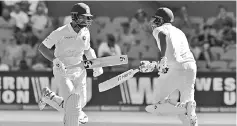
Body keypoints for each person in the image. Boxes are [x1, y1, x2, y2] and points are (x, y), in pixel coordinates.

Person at [38, 3, 103, 126]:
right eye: (84, 17)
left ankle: (49, 97)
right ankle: (71, 113)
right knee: (73, 105)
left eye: (88, 17)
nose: (87, 20)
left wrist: (96, 64)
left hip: (80, 70)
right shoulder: (60, 32)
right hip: (63, 71)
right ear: (75, 17)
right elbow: (42, 47)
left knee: (80, 104)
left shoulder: (85, 32)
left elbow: (88, 49)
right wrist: (55, 60)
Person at [139, 7, 198, 126]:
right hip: (191, 67)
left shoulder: (159, 30)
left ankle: (184, 107)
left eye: (156, 19)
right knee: (187, 107)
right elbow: (175, 55)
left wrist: (162, 59)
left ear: (161, 20)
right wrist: (156, 64)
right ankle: (188, 108)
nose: (154, 22)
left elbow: (163, 36)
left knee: (156, 105)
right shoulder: (179, 31)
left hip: (174, 68)